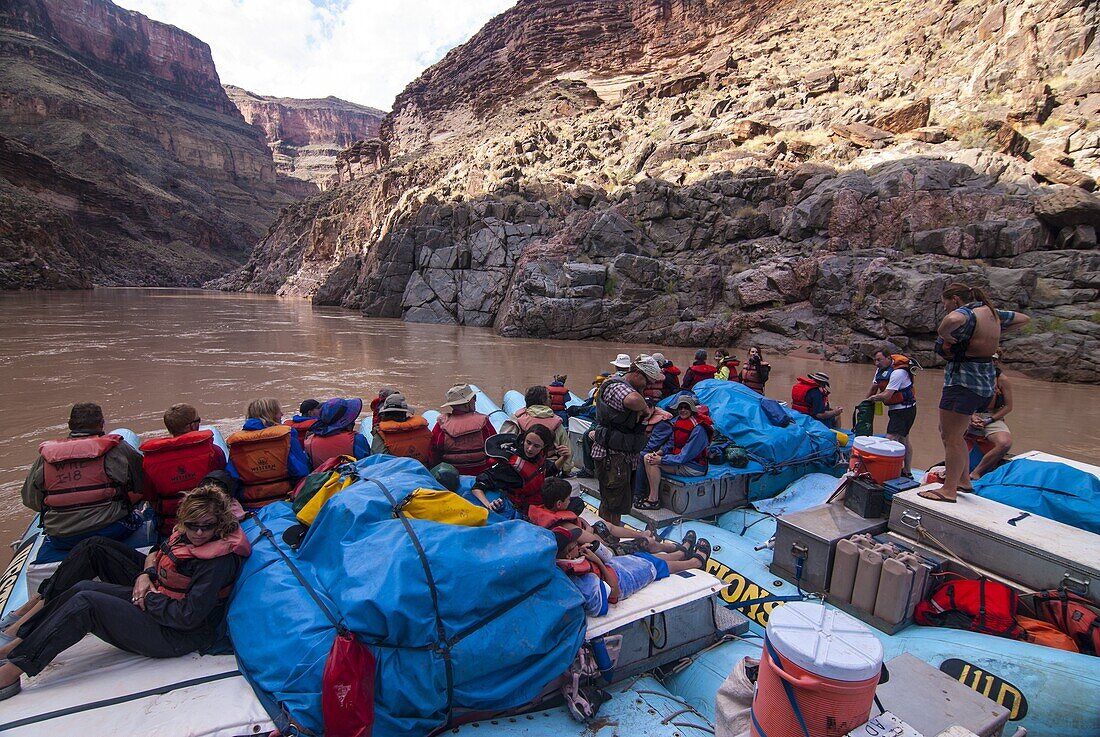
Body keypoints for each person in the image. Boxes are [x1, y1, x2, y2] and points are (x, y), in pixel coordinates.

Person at [0, 484, 250, 702]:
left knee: (86, 602)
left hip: (178, 635)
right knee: (83, 585)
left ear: (220, 523)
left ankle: (11, 672)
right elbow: (159, 551)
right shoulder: (189, 536)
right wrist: (147, 575)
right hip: (161, 601)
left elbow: (187, 617)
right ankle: (19, 643)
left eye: (206, 527)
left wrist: (146, 597)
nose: (198, 532)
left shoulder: (216, 562)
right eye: (192, 525)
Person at [924, 283, 1029, 503]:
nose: (945, 308)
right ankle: (964, 480)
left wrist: (944, 333)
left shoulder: (967, 314)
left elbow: (952, 321)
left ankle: (949, 490)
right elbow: (1022, 318)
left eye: (945, 303)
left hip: (962, 384)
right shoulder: (991, 313)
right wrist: (996, 331)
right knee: (953, 433)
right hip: (983, 385)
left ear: (955, 299)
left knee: (950, 437)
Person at [21, 402, 144, 550]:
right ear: (101, 424)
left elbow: (31, 501)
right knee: (140, 514)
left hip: (62, 538)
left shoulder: (45, 457)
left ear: (70, 425)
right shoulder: (117, 448)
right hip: (112, 530)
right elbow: (142, 486)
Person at [554, 526, 710, 617]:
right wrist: (598, 562)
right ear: (568, 554)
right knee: (652, 566)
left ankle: (680, 554)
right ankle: (695, 562)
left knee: (641, 556)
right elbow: (613, 593)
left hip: (614, 567)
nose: (580, 546)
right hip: (622, 582)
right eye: (576, 546)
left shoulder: (571, 560)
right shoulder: (583, 583)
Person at [590, 356, 661, 525]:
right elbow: (633, 400)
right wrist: (645, 408)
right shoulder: (617, 387)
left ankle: (611, 531)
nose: (647, 386)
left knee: (618, 503)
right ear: (636, 373)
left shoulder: (631, 388)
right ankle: (607, 536)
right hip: (611, 456)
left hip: (624, 455)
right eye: (646, 382)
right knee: (611, 503)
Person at [139, 403, 227, 538]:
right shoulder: (213, 452)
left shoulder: (150, 460)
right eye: (198, 420)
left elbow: (150, 498)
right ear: (192, 426)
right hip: (209, 523)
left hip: (170, 524)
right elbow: (225, 484)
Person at [527, 478, 656, 553]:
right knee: (644, 544)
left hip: (587, 536)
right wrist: (605, 541)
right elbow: (595, 541)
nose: (570, 501)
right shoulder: (565, 526)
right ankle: (666, 547)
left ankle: (642, 534)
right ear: (559, 504)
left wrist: (589, 527)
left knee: (605, 524)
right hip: (599, 550)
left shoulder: (544, 510)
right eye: (568, 499)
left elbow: (582, 521)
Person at [226, 398, 309, 509]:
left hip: (250, 502)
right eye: (278, 411)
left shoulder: (237, 442)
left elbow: (233, 477)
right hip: (286, 499)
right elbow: (301, 472)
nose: (282, 414)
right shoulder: (287, 435)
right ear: (271, 414)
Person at [638, 395, 714, 510]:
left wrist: (662, 460)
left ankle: (653, 500)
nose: (683, 410)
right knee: (648, 457)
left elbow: (685, 456)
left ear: (692, 409)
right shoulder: (679, 422)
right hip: (680, 462)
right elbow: (671, 443)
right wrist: (659, 453)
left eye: (686, 407)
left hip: (693, 467)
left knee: (653, 462)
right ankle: (652, 497)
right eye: (680, 407)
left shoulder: (698, 429)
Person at [470, 427, 560, 515]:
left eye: (536, 446)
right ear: (524, 439)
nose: (530, 449)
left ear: (544, 447)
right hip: (521, 508)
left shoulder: (540, 455)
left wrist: (564, 458)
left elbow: (544, 472)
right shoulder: (510, 467)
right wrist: (488, 505)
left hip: (538, 498)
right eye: (528, 443)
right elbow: (477, 487)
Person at [865, 350, 918, 478]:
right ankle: (907, 470)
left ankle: (883, 472)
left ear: (888, 358)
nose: (876, 363)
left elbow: (887, 395)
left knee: (890, 438)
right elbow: (873, 388)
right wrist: (864, 402)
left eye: (879, 360)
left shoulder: (898, 372)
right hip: (895, 409)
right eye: (875, 360)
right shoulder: (880, 370)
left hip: (905, 409)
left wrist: (872, 399)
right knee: (904, 439)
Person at [501, 385, 574, 475]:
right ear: (544, 401)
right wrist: (566, 470)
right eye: (549, 397)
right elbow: (567, 449)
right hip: (547, 466)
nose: (552, 399)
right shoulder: (557, 423)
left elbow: (504, 443)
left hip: (520, 466)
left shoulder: (517, 419)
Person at [430, 383, 495, 474]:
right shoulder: (484, 422)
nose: (475, 401)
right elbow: (494, 446)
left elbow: (434, 452)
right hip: (481, 472)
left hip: (450, 475)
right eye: (474, 398)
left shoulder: (441, 425)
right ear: (467, 404)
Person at [968, 355, 1014, 480]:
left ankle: (976, 472)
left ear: (997, 361)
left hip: (992, 416)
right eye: (988, 358)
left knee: (1005, 443)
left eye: (994, 359)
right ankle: (952, 470)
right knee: (948, 432)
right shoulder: (970, 375)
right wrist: (971, 416)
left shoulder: (1002, 380)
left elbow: (1008, 407)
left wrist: (989, 420)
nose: (990, 362)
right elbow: (961, 400)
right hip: (968, 413)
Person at [302, 398, 370, 469]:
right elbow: (367, 466)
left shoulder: (309, 442)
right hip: (351, 478)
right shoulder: (357, 439)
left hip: (322, 479)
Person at [372, 393, 433, 465]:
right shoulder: (423, 429)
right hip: (423, 472)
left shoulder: (381, 435)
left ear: (385, 413)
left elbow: (376, 462)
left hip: (393, 474)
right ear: (405, 412)